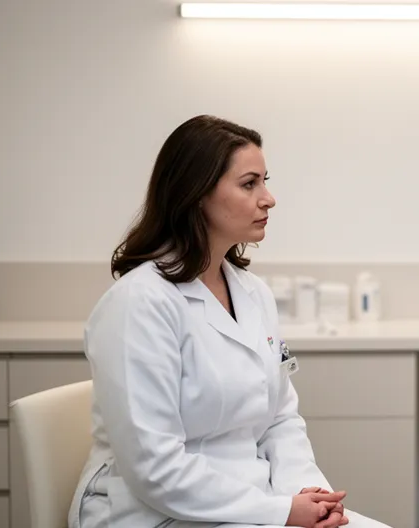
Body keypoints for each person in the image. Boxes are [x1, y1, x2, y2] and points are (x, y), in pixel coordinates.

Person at [67, 115, 392, 528]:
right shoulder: (139, 304)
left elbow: (280, 419)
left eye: (264, 181)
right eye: (249, 183)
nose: (268, 198)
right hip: (155, 513)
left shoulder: (252, 293)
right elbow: (156, 469)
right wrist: (281, 512)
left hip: (255, 501)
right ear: (196, 194)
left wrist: (309, 496)